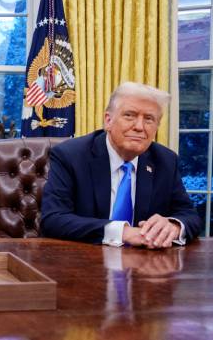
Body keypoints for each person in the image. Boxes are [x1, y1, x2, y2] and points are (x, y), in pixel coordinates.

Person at [41, 82, 201, 248]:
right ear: (108, 120)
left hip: (145, 266)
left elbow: (190, 216)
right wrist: (122, 232)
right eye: (129, 116)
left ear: (156, 127)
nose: (139, 127)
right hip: (83, 261)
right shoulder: (71, 156)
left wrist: (173, 226)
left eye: (149, 119)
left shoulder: (166, 161)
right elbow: (53, 219)